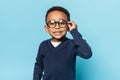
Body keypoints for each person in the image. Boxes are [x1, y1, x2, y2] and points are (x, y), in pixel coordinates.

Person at [33, 6, 92, 80]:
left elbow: (87, 54)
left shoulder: (72, 44)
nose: (57, 27)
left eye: (62, 23)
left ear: (68, 26)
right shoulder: (43, 45)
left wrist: (74, 32)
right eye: (52, 23)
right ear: (46, 28)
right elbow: (39, 66)